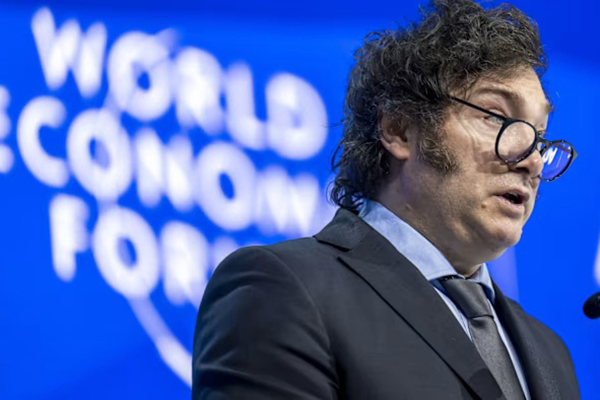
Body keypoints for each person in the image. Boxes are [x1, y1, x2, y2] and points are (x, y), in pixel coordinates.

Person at [192, 0, 580, 398]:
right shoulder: (281, 289)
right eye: (495, 116)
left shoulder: (551, 354)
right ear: (399, 129)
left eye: (539, 134)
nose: (532, 160)